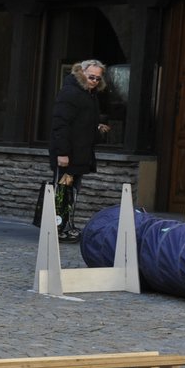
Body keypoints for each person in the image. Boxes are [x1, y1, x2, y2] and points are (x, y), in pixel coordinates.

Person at [49, 59, 111, 241]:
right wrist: (62, 153)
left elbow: (80, 122)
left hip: (80, 153)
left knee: (71, 192)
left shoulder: (89, 95)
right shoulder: (71, 92)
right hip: (69, 154)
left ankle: (65, 226)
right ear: (82, 73)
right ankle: (57, 228)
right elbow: (60, 123)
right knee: (62, 191)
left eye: (98, 79)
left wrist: (96, 128)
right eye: (91, 77)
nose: (94, 81)